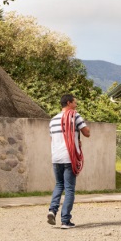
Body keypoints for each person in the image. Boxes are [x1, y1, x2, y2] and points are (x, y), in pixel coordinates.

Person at [47, 94, 90, 229]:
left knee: (59, 185)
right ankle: (65, 221)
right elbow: (87, 133)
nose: (76, 105)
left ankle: (52, 210)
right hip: (69, 157)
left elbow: (52, 139)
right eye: (74, 102)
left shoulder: (53, 120)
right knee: (69, 189)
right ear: (68, 102)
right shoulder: (75, 116)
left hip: (56, 158)